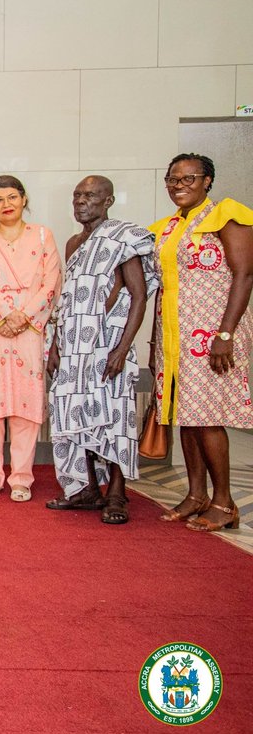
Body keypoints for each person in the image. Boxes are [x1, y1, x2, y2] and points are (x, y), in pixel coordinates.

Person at [149, 154, 253, 532]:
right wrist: (152, 345)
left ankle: (224, 502)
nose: (179, 185)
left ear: (207, 180)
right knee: (185, 418)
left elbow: (244, 275)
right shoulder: (168, 227)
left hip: (211, 336)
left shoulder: (226, 215)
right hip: (173, 338)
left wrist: (225, 334)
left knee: (208, 419)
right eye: (172, 179)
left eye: (188, 178)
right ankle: (196, 495)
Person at [46, 176, 156, 524]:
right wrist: (54, 345)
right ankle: (88, 489)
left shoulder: (124, 237)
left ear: (108, 200)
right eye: (77, 195)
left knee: (113, 418)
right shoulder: (74, 242)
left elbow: (139, 296)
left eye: (90, 195)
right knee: (74, 418)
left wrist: (122, 350)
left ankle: (117, 495)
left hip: (107, 346)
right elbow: (67, 300)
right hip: (74, 348)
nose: (81, 201)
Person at [0, 175, 62, 502]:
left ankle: (21, 478)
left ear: (23, 199)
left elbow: (51, 283)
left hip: (28, 331)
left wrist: (23, 316)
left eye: (12, 197)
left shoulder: (43, 236)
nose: (6, 205)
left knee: (24, 406)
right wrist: (3, 316)